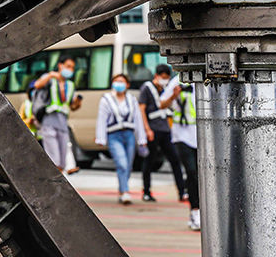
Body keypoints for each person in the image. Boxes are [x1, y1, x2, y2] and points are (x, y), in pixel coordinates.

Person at [94, 72, 147, 204]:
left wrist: (142, 139)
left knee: (128, 166)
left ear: (127, 84)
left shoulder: (132, 99)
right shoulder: (106, 99)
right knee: (122, 163)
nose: (119, 84)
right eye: (116, 81)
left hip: (129, 135)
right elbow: (101, 119)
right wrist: (100, 138)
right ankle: (125, 192)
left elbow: (138, 119)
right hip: (114, 135)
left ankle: (122, 189)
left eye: (122, 81)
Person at [139, 63, 186, 202]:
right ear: (156, 76)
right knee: (149, 161)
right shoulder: (147, 88)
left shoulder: (166, 89)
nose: (164, 80)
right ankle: (146, 191)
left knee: (175, 160)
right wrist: (146, 129)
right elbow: (141, 109)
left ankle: (182, 191)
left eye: (167, 77)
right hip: (153, 129)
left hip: (165, 129)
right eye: (163, 77)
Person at [31, 55, 82, 169]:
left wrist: (78, 102)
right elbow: (37, 85)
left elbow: (72, 106)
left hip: (63, 123)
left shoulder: (70, 85)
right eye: (68, 66)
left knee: (62, 161)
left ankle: (58, 180)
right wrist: (50, 75)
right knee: (54, 159)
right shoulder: (50, 79)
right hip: (49, 121)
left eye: (72, 68)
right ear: (60, 65)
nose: (70, 70)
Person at [169, 76, 200, 231]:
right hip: (182, 136)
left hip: (202, 137)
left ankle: (203, 210)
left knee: (201, 175)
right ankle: (195, 211)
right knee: (192, 172)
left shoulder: (206, 77)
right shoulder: (177, 81)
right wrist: (173, 95)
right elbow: (161, 104)